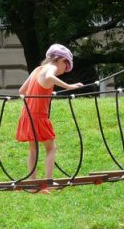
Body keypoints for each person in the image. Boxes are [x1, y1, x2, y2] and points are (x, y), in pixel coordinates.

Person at [15, 44, 83, 192]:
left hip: (27, 114)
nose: (64, 70)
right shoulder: (51, 68)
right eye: (66, 66)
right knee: (51, 148)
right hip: (39, 116)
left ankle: (33, 184)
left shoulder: (37, 70)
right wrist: (70, 87)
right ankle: (48, 182)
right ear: (61, 60)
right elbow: (50, 77)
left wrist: (35, 97)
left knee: (33, 149)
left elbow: (21, 91)